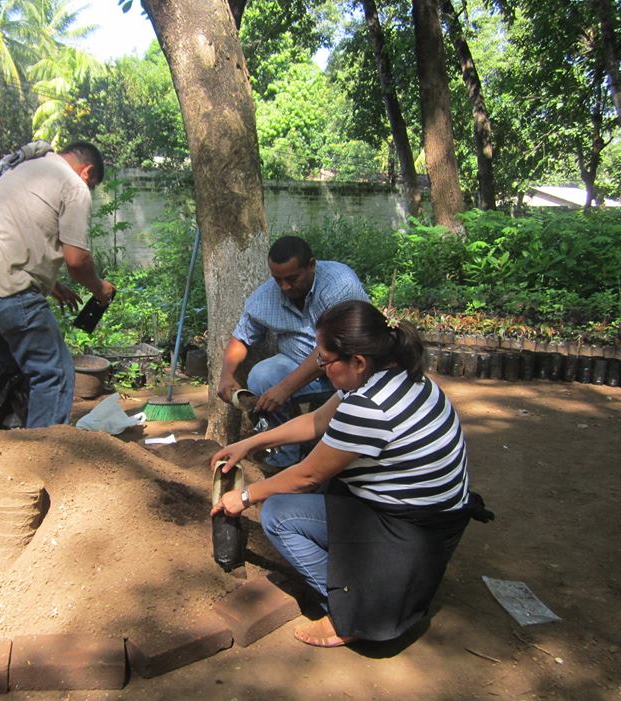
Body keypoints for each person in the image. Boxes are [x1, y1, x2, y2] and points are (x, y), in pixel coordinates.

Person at [210, 300, 490, 648]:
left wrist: (245, 496)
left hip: (413, 529)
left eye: (324, 361)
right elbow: (317, 422)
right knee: (328, 478)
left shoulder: (369, 407)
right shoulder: (393, 373)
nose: (320, 368)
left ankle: (354, 611)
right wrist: (249, 445)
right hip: (434, 517)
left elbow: (306, 476)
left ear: (357, 361)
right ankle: (367, 583)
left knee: (279, 514)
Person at [0, 141, 116, 428]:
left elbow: (17, 230)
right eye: (92, 185)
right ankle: (41, 454)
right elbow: (77, 260)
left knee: (13, 371)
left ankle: (8, 445)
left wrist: (52, 283)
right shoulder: (74, 185)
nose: (89, 190)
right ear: (88, 172)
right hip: (9, 289)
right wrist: (99, 289)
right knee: (54, 372)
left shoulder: (27, 168)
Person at [216, 235, 367, 469]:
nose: (285, 286)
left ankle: (341, 452)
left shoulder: (340, 283)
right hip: (297, 363)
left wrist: (285, 388)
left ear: (311, 265)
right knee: (262, 376)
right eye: (278, 279)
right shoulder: (265, 297)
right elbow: (241, 337)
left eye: (292, 278)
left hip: (347, 365)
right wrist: (226, 374)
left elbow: (338, 345)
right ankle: (284, 457)